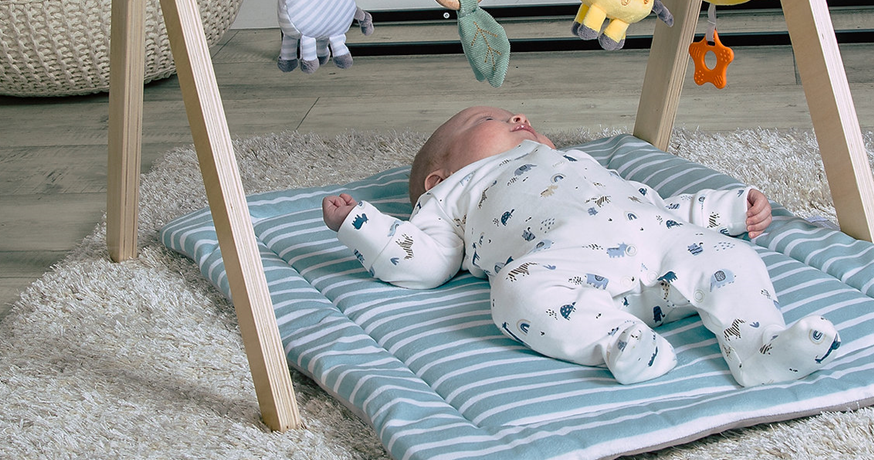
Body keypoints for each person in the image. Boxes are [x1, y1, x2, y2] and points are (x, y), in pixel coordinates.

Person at [322, 106, 840, 387]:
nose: (517, 117)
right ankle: (617, 342)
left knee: (728, 257)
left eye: (517, 116)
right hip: (565, 272)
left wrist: (728, 210)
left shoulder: (577, 161)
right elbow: (426, 262)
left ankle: (759, 347)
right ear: (440, 176)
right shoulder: (451, 196)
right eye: (486, 121)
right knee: (517, 293)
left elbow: (656, 204)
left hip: (655, 251)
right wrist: (363, 225)